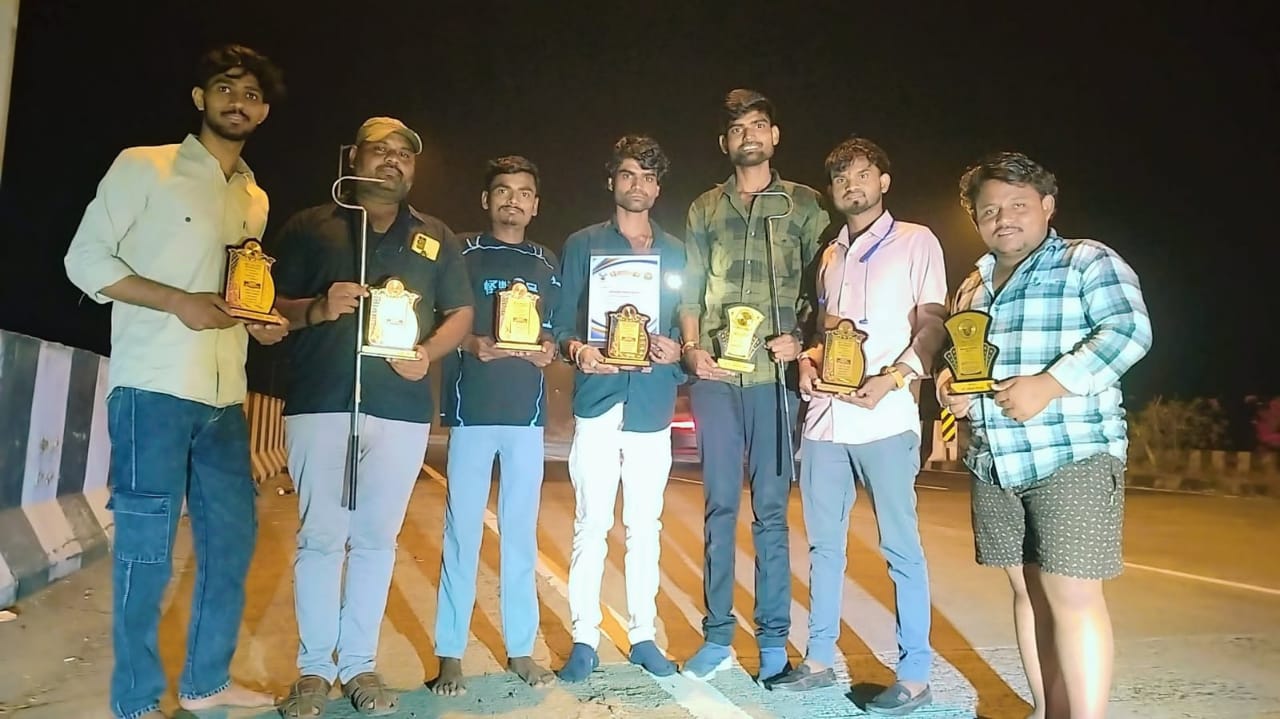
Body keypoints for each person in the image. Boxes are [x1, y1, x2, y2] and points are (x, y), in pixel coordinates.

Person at [63, 44, 287, 719]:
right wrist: (175, 301)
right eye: (225, 88)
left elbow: (234, 292)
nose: (237, 102)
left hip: (224, 396)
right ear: (200, 98)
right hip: (153, 387)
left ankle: (205, 682)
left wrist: (259, 322)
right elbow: (84, 259)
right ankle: (134, 698)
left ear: (264, 112)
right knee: (146, 549)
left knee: (232, 541)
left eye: (251, 94)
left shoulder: (254, 198)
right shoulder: (144, 166)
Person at [268, 117, 474, 717]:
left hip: (401, 409)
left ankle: (358, 663)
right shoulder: (311, 226)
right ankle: (313, 669)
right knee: (320, 538)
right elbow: (267, 304)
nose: (392, 161)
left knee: (377, 540)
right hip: (321, 400)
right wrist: (317, 306)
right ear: (353, 157)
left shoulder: (433, 236)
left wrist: (427, 354)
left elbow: (460, 312)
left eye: (404, 154)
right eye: (380, 150)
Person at [939, 152, 1152, 719]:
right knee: (1027, 590)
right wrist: (950, 389)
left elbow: (1129, 331)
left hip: (1072, 452)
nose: (1003, 217)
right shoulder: (971, 286)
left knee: (1072, 594)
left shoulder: (1087, 260)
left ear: (1047, 206)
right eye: (989, 210)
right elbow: (964, 363)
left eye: (1018, 204)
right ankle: (1046, 708)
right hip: (995, 461)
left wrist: (1051, 384)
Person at [771, 138, 944, 715]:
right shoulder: (830, 255)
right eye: (842, 178)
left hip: (886, 418)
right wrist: (808, 361)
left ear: (884, 182)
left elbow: (933, 322)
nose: (853, 185)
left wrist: (896, 377)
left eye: (863, 175)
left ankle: (914, 674)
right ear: (832, 190)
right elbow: (825, 330)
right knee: (824, 546)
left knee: (901, 548)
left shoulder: (916, 240)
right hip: (826, 421)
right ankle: (819, 660)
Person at [679, 88, 829, 682]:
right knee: (719, 506)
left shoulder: (804, 205)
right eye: (739, 129)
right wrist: (692, 349)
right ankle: (718, 635)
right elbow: (690, 288)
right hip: (717, 378)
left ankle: (771, 642)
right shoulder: (704, 208)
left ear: (775, 136)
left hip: (774, 381)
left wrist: (803, 341)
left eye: (759, 125)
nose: (750, 136)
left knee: (770, 510)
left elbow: (824, 290)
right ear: (725, 142)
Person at [552, 136, 686, 682]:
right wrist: (578, 350)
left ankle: (642, 635)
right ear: (612, 181)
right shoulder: (583, 244)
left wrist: (677, 349)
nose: (638, 186)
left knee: (645, 526)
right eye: (629, 174)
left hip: (652, 403)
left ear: (658, 188)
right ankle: (584, 637)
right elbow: (560, 322)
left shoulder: (676, 251)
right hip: (600, 399)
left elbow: (686, 323)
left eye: (649, 178)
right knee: (591, 522)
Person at [431, 156, 560, 696]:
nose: (513, 200)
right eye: (503, 190)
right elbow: (438, 319)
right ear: (487, 200)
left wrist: (549, 348)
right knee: (462, 533)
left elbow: (553, 331)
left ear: (536, 204)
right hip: (472, 414)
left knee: (520, 536)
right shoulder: (461, 251)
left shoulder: (545, 260)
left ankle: (521, 649)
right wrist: (469, 343)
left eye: (524, 192)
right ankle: (450, 654)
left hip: (526, 417)